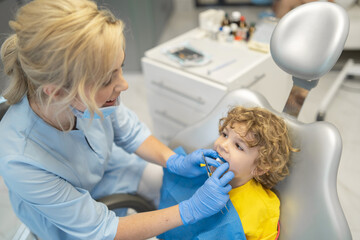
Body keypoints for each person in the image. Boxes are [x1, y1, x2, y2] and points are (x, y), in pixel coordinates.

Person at [0, 0, 234, 239]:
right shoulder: (20, 160)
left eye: (120, 68)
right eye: (106, 80)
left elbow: (129, 131)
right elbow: (102, 229)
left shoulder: (86, 98)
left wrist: (172, 160)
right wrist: (190, 210)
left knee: (176, 184)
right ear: (57, 91)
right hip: (68, 218)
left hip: (109, 169)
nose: (124, 84)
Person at [158, 106, 299, 240]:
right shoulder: (198, 169)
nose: (222, 145)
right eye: (224, 134)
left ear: (260, 168)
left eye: (238, 146)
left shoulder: (261, 209)